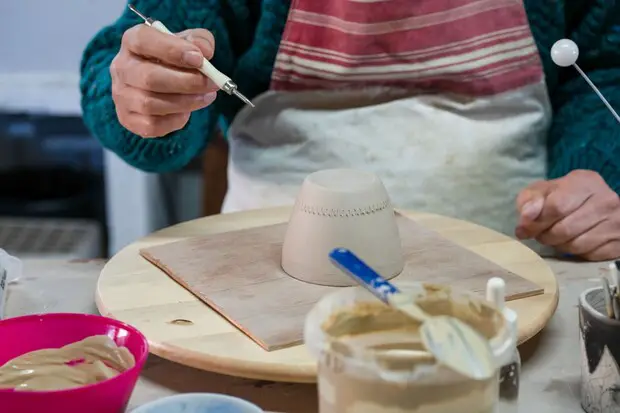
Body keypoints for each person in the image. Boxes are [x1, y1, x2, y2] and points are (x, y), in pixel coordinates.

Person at [80, 0, 620, 261]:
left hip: (513, 268)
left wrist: (592, 175)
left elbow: (604, 68)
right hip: (272, 267)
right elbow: (133, 54)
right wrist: (147, 96)